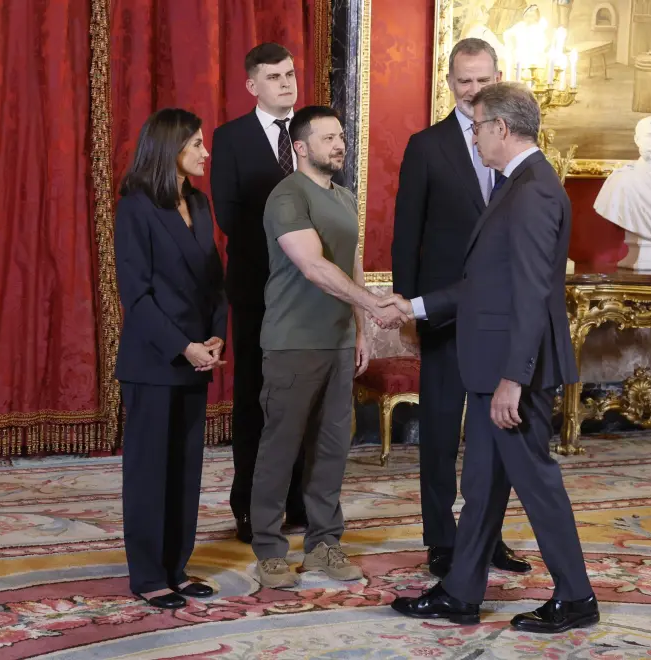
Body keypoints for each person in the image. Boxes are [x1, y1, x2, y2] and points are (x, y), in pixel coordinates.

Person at [386, 82, 599, 634]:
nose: (473, 136)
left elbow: (530, 294)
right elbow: (483, 284)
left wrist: (513, 380)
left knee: (536, 483)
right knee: (480, 485)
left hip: (511, 373)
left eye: (477, 127)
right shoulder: (517, 184)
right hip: (493, 369)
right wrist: (412, 304)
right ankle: (461, 592)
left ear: (502, 128)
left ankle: (576, 598)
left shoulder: (531, 191)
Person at [250, 105, 407, 588]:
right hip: (293, 343)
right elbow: (314, 266)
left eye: (341, 136)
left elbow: (351, 264)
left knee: (332, 448)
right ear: (301, 147)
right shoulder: (286, 196)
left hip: (339, 343)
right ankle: (270, 550)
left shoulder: (344, 197)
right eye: (328, 138)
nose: (339, 144)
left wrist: (361, 328)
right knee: (281, 448)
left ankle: (324, 545)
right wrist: (377, 304)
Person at [392, 38, 531, 581]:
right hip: (443, 316)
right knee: (443, 432)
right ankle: (440, 541)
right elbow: (408, 237)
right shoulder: (426, 146)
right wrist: (409, 312)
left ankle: (487, 537)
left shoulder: (515, 148)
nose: (473, 91)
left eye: (482, 80)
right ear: (447, 83)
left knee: (495, 436)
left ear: (499, 76)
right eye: (463, 81)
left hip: (498, 316)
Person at [115, 108, 228, 609]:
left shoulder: (201, 204)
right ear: (171, 149)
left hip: (197, 357)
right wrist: (184, 346)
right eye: (197, 144)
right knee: (149, 471)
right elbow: (135, 296)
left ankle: (176, 567)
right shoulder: (136, 207)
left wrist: (216, 337)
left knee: (185, 470)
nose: (206, 152)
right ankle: (147, 574)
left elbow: (214, 283)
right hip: (154, 360)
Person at [211, 43, 308, 544]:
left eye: (289, 74)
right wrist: (289, 252)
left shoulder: (314, 130)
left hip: (311, 293)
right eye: (273, 77)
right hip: (257, 290)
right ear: (253, 85)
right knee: (255, 399)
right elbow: (228, 217)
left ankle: (298, 499)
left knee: (300, 398)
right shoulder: (229, 139)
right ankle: (248, 504)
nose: (285, 83)